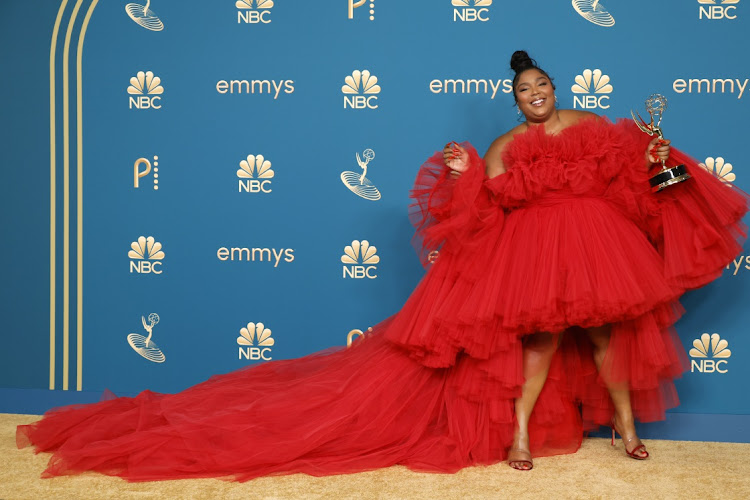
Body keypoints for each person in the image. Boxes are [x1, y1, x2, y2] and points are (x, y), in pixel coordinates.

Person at [17, 51, 747, 480]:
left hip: (596, 252)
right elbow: (482, 208)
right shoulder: (502, 144)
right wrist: (464, 172)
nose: (535, 96)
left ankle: (625, 430)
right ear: (513, 101)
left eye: (542, 87)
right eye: (523, 92)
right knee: (542, 344)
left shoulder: (593, 125)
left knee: (610, 339)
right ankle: (520, 435)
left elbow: (636, 170)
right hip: (538, 262)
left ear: (556, 88)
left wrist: (664, 164)